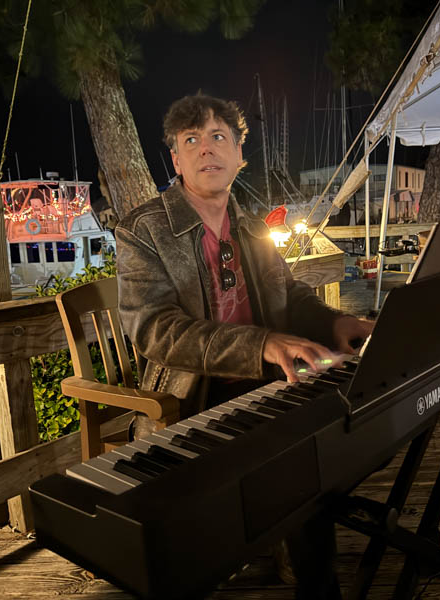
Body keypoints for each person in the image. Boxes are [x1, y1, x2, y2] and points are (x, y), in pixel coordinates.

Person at [116, 93, 373, 599]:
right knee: (300, 454)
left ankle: (306, 567)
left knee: (331, 434)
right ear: (175, 158)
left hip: (270, 383)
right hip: (190, 397)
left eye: (218, 137)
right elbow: (154, 329)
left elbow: (291, 297)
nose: (205, 149)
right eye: (191, 139)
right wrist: (260, 345)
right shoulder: (143, 230)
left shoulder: (253, 226)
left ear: (239, 155)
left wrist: (336, 321)